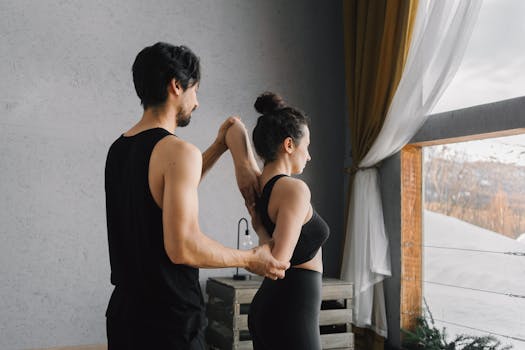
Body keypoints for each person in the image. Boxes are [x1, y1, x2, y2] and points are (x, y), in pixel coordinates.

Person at [104, 42, 289, 350]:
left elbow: (161, 193)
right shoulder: (178, 151)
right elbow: (183, 248)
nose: (197, 103)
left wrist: (218, 147)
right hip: (169, 321)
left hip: (124, 315)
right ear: (176, 85)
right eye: (195, 90)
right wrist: (250, 259)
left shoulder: (119, 148)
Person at [247, 92, 331, 350]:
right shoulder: (295, 190)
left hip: (276, 309)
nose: (309, 156)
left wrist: (260, 228)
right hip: (291, 315)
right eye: (306, 147)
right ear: (289, 145)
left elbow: (234, 130)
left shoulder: (261, 185)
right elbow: (278, 262)